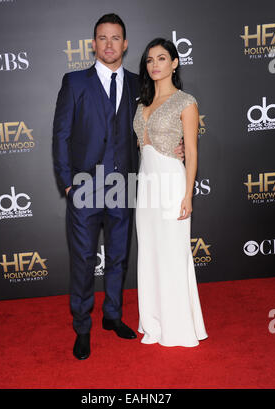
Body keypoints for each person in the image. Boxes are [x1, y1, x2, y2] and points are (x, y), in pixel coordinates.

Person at [53, 14, 184, 360]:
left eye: (116, 38)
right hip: (83, 186)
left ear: (125, 44)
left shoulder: (139, 84)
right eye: (102, 38)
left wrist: (177, 146)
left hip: (124, 184)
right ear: (93, 44)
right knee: (82, 260)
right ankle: (82, 326)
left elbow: (156, 121)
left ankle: (112, 315)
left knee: (118, 257)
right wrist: (67, 184)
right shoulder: (75, 83)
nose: (109, 44)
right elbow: (61, 135)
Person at [133, 38, 208, 347]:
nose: (155, 65)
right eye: (150, 60)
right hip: (146, 185)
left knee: (173, 253)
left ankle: (178, 326)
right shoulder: (141, 103)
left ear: (175, 63)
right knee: (149, 254)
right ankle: (153, 323)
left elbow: (190, 151)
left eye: (162, 58)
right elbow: (141, 145)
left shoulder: (186, 101)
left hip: (171, 182)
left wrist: (187, 195)